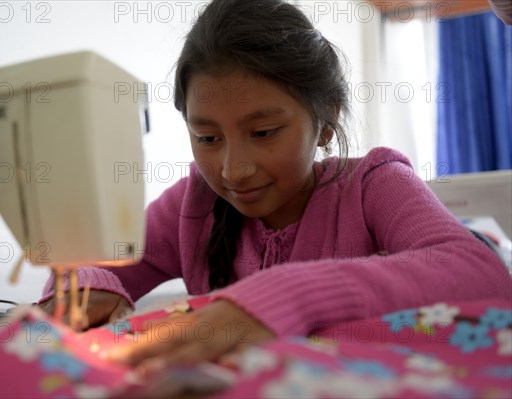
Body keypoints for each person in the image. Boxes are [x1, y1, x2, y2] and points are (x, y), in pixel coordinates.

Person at [39, 0, 511, 375]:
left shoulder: (373, 184)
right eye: (207, 138)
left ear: (324, 122)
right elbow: (91, 260)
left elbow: (481, 272)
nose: (234, 169)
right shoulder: (193, 205)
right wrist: (86, 287)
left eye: (263, 133)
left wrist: (282, 298)